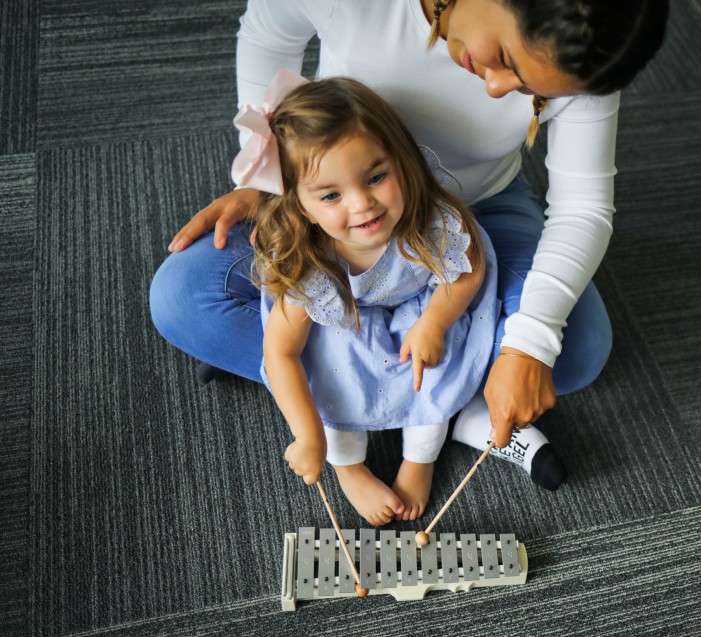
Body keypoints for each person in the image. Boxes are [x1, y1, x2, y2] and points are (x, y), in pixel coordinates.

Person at [149, 0, 669, 491]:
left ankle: (398, 395)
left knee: (578, 348)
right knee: (182, 299)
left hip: (478, 206)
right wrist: (264, 177)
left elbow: (583, 209)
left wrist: (529, 346)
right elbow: (269, 31)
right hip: (328, 219)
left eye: (529, 92)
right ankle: (442, 403)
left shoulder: (589, 47)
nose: (495, 89)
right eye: (506, 59)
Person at [244, 71, 498, 525]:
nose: (363, 205)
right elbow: (281, 352)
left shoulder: (428, 218)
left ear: (400, 161)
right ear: (302, 205)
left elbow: (469, 268)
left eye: (377, 176)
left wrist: (435, 322)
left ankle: (421, 456)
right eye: (332, 195)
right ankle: (350, 466)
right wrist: (309, 438)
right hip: (346, 318)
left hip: (420, 305)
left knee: (434, 362)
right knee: (327, 369)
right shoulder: (308, 261)